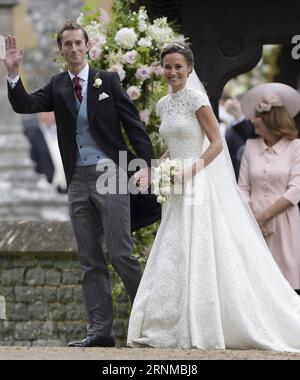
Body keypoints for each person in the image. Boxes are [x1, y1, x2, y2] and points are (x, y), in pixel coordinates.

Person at [127, 43, 300, 351]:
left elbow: (216, 143)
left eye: (178, 66)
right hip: (176, 188)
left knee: (202, 249)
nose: (172, 71)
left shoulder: (197, 99)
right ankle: (166, 324)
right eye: (167, 66)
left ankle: (207, 321)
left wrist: (191, 170)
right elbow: (173, 147)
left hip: (197, 184)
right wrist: (155, 170)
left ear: (189, 68)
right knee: (174, 249)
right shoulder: (164, 104)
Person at [4, 21, 160, 348]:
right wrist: (13, 73)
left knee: (120, 253)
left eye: (78, 43)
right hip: (76, 178)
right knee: (90, 259)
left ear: (87, 46)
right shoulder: (58, 85)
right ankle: (100, 332)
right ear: (61, 50)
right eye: (67, 45)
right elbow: (25, 105)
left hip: (110, 173)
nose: (73, 49)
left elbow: (134, 128)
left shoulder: (110, 81)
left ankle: (154, 321)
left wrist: (146, 167)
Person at [238, 83, 300, 294]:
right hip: (253, 225)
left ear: (271, 119)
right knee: (259, 287)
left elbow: (295, 189)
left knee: (287, 285)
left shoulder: (296, 147)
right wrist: (252, 217)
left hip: (285, 224)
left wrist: (264, 216)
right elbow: (243, 188)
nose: (253, 121)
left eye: (258, 116)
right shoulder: (250, 146)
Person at [23, 112, 67, 193]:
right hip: (46, 189)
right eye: (44, 112)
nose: (48, 115)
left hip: (68, 188)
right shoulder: (31, 135)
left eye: (50, 111)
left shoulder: (66, 132)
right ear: (38, 114)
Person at [225, 97, 256, 180]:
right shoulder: (231, 123)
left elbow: (248, 135)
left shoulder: (250, 121)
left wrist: (238, 114)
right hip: (234, 165)